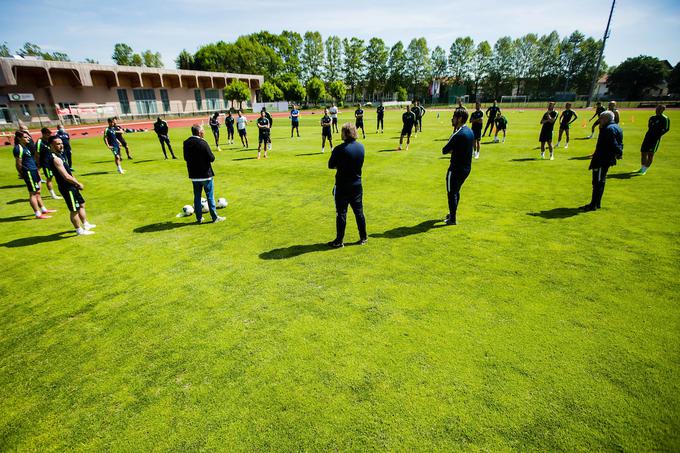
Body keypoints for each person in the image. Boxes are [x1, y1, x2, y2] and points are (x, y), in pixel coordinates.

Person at [327, 123, 367, 248]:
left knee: (341, 213)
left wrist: (341, 166)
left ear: (344, 133)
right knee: (359, 212)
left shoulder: (339, 149)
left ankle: (339, 241)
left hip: (342, 185)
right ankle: (363, 237)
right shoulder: (361, 147)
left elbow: (330, 165)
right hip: (357, 184)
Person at [46, 136, 96, 235]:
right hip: (67, 187)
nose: (61, 145)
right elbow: (66, 176)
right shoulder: (56, 159)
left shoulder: (60, 155)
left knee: (81, 204)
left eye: (61, 143)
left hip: (72, 186)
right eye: (58, 144)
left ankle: (85, 224)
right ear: (51, 145)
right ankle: (79, 230)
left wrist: (75, 183)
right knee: (74, 210)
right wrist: (78, 183)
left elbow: (69, 173)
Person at [581, 111, 623, 211]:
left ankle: (593, 205)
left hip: (602, 158)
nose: (599, 121)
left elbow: (614, 143)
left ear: (606, 118)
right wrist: (619, 153)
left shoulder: (608, 129)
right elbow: (620, 143)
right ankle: (596, 203)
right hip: (606, 158)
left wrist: (619, 152)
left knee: (598, 182)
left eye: (601, 118)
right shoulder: (616, 127)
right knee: (600, 180)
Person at [182, 124, 225, 224]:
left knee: (197, 197)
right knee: (210, 196)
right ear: (199, 132)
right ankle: (214, 217)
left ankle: (199, 218)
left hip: (194, 175)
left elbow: (185, 158)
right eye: (203, 131)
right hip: (205, 175)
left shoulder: (186, 142)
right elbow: (212, 158)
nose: (204, 132)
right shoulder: (203, 142)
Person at [442, 108, 474, 225]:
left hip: (455, 169)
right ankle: (452, 214)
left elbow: (444, 150)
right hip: (466, 168)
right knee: (456, 191)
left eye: (454, 117)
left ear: (459, 119)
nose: (452, 119)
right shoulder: (469, 131)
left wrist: (453, 150)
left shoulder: (458, 134)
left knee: (451, 193)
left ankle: (452, 218)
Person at [13, 131, 56, 219]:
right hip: (28, 172)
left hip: (34, 171)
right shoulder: (18, 148)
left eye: (28, 137)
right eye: (25, 137)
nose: (28, 138)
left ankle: (43, 209)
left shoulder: (25, 147)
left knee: (38, 192)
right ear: (19, 138)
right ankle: (37, 214)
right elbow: (18, 163)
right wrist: (22, 173)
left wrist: (37, 171)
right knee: (32, 193)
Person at [638, 104, 670, 175]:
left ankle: (644, 170)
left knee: (650, 154)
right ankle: (642, 168)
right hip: (647, 137)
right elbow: (649, 127)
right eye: (656, 109)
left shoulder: (665, 118)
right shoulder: (652, 118)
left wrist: (659, 135)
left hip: (655, 139)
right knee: (643, 152)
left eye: (659, 109)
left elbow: (667, 129)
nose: (657, 110)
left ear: (663, 110)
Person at [35, 127, 61, 199]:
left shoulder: (50, 140)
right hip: (46, 163)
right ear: (44, 134)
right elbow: (37, 153)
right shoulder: (39, 142)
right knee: (49, 178)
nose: (50, 135)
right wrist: (38, 163)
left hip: (53, 161)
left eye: (50, 133)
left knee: (59, 176)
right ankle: (53, 195)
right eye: (48, 133)